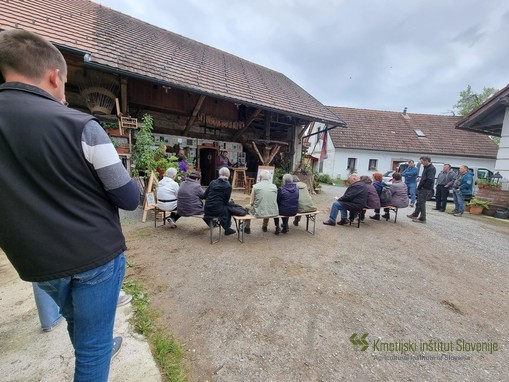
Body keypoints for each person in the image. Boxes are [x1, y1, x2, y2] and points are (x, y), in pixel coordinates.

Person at [0, 29, 140, 381]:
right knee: (92, 345)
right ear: (54, 75)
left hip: (34, 259)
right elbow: (128, 197)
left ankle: (97, 345)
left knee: (77, 319)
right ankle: (97, 350)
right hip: (93, 253)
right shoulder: (81, 126)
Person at [243, 170, 279, 234]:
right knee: (267, 204)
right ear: (269, 178)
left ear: (260, 177)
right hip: (272, 211)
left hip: (259, 212)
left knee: (247, 207)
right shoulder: (274, 186)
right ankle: (265, 226)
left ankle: (247, 228)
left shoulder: (255, 186)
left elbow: (251, 202)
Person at [204, 167, 236, 235]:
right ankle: (227, 228)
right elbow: (226, 201)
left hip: (207, 209)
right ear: (228, 175)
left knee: (224, 207)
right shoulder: (228, 186)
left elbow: (205, 195)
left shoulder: (212, 182)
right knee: (228, 207)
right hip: (218, 210)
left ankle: (227, 228)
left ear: (219, 174)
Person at [407, 156, 436, 223]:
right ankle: (415, 214)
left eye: (422, 162)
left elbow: (430, 179)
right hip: (422, 188)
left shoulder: (431, 168)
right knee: (419, 202)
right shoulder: (426, 167)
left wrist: (423, 187)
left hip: (425, 189)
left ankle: (422, 218)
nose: (422, 163)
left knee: (422, 203)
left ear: (426, 161)